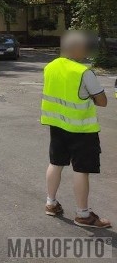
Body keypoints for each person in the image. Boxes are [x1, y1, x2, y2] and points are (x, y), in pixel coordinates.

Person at [42, 31, 110, 228]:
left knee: (55, 163)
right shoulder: (83, 72)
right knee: (81, 170)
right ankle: (83, 215)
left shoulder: (50, 67)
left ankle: (51, 203)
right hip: (81, 129)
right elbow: (102, 101)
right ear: (76, 48)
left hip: (57, 125)